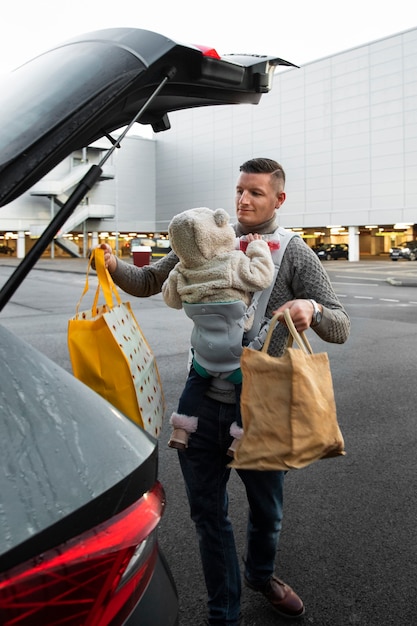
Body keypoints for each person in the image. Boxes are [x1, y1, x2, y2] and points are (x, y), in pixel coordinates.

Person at [99, 157, 351, 626]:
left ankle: (261, 575)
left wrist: (311, 307)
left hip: (263, 406)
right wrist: (112, 265)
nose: (243, 200)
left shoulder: (294, 252)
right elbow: (153, 280)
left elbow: (340, 325)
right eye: (240, 190)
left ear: (279, 198)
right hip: (199, 397)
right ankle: (224, 614)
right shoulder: (210, 237)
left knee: (267, 512)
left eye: (256, 192)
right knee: (208, 518)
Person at [161, 206, 274, 456]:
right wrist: (258, 248)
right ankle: (241, 438)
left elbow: (171, 299)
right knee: (246, 391)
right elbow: (262, 277)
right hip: (233, 355)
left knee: (194, 383)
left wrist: (178, 268)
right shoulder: (232, 262)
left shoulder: (181, 271)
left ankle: (181, 430)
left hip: (203, 353)